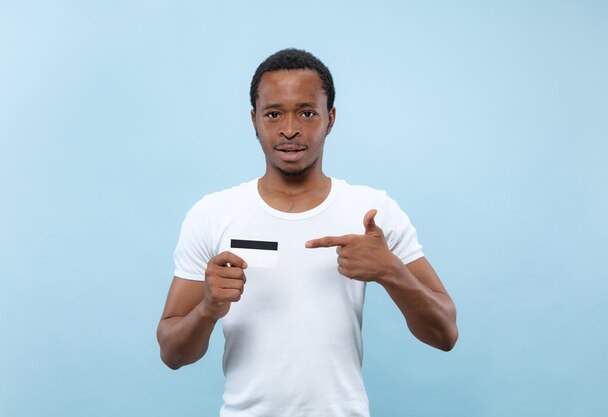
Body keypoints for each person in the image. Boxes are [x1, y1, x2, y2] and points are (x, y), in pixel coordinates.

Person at [157, 48, 458, 417]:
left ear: (330, 118)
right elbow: (171, 353)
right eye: (273, 114)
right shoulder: (212, 214)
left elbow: (445, 334)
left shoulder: (372, 212)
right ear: (254, 120)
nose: (289, 128)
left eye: (307, 112)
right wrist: (207, 308)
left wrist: (391, 271)